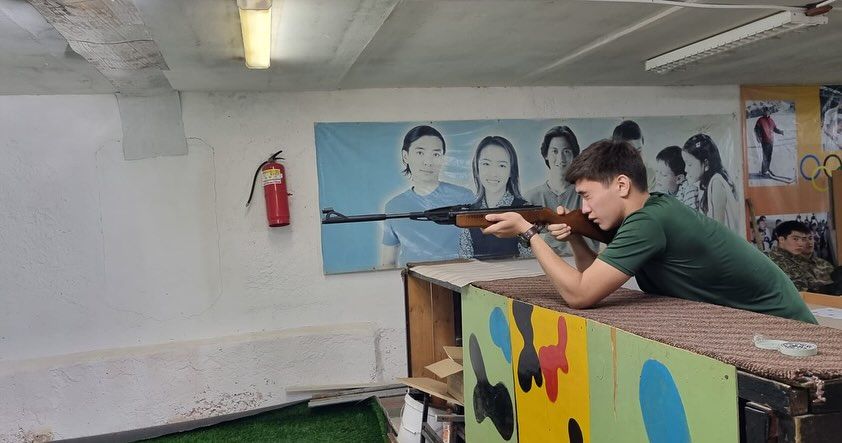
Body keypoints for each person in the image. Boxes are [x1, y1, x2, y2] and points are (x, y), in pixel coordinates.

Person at [480, 139, 816, 324]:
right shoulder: (650, 211)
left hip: (783, 325)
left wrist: (528, 233)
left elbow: (580, 296)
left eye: (587, 195)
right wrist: (576, 235)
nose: (584, 208)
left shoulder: (648, 222)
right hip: (749, 322)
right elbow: (593, 278)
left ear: (621, 185)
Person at [380, 125, 474, 267]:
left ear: (442, 158)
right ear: (405, 156)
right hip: (414, 278)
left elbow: (482, 246)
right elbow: (388, 262)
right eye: (420, 153)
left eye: (436, 154)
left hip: (460, 276)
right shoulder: (394, 206)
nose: (428, 162)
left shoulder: (464, 197)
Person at [524, 126, 596, 255]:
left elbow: (593, 244)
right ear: (546, 154)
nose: (561, 158)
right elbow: (525, 247)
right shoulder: (531, 198)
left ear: (574, 155)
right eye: (554, 151)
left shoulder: (586, 195)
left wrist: (546, 237)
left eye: (566, 151)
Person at [459, 136, 530, 259]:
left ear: (511, 171)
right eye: (486, 164)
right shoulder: (468, 214)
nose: (493, 173)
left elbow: (530, 259)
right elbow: (465, 260)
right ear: (477, 168)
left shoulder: (525, 210)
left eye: (501, 165)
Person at [681, 134, 739, 232]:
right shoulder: (705, 184)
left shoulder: (716, 183)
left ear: (706, 163)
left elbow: (719, 230)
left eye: (689, 164)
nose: (686, 169)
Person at [769, 221, 835, 293]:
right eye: (795, 239)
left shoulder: (793, 259)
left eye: (801, 239)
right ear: (781, 240)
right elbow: (800, 292)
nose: (800, 244)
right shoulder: (773, 262)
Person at [613, 120, 656, 191]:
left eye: (639, 151)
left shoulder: (649, 174)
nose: (636, 157)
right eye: (630, 152)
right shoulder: (604, 173)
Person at [654, 145, 698, 210]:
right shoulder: (662, 190)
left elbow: (691, 215)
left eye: (663, 175)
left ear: (679, 179)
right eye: (656, 171)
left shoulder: (689, 190)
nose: (658, 178)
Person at [753, 107, 784, 176]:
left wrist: (780, 132)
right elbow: (756, 129)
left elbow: (775, 129)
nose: (767, 113)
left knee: (769, 156)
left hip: (771, 141)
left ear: (769, 112)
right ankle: (764, 171)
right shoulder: (760, 120)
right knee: (765, 157)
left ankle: (767, 168)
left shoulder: (771, 120)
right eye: (765, 111)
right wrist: (758, 137)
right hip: (764, 141)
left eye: (768, 111)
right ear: (763, 112)